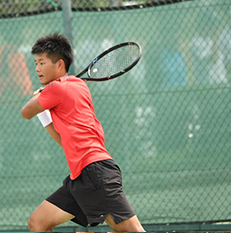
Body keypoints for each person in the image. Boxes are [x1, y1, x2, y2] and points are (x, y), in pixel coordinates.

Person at [21, 33, 145, 232]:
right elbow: (65, 141)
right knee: (38, 223)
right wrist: (43, 110)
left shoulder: (57, 89)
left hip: (95, 173)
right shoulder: (79, 86)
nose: (37, 68)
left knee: (133, 231)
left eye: (42, 63)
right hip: (81, 176)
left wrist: (40, 97)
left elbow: (25, 111)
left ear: (59, 64)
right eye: (36, 63)